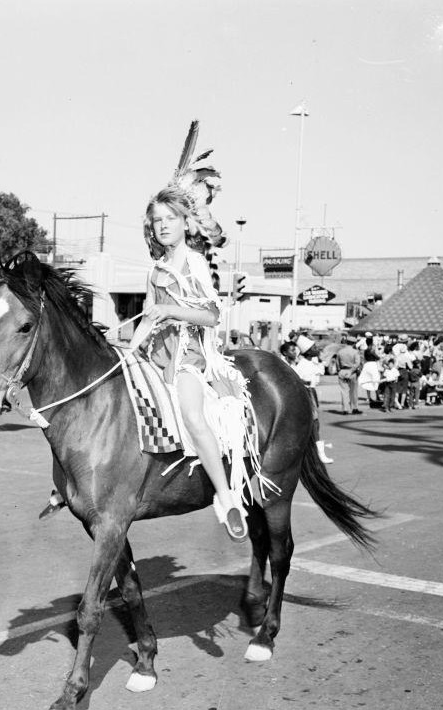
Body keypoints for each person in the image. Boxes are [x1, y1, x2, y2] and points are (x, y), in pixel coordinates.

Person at [129, 127, 257, 542]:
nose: (163, 226)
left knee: (191, 414)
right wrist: (128, 349)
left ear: (186, 222)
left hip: (189, 356)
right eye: (157, 221)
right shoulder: (155, 270)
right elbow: (147, 320)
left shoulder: (195, 263)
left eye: (170, 219)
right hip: (154, 352)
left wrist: (168, 309)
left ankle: (226, 497)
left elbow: (212, 314)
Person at [281, 340, 333, 464]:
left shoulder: (305, 362)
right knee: (306, 422)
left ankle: (317, 452)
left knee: (315, 422)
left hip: (310, 392)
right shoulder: (296, 364)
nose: (295, 352)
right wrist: (304, 382)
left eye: (295, 349)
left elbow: (319, 373)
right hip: (301, 393)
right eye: (292, 350)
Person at [335, 335, 362, 414]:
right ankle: (354, 408)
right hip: (352, 372)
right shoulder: (355, 352)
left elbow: (337, 363)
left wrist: (339, 371)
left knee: (344, 391)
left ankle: (345, 409)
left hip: (342, 371)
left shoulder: (340, 351)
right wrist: (351, 370)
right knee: (353, 391)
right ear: (353, 343)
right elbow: (357, 363)